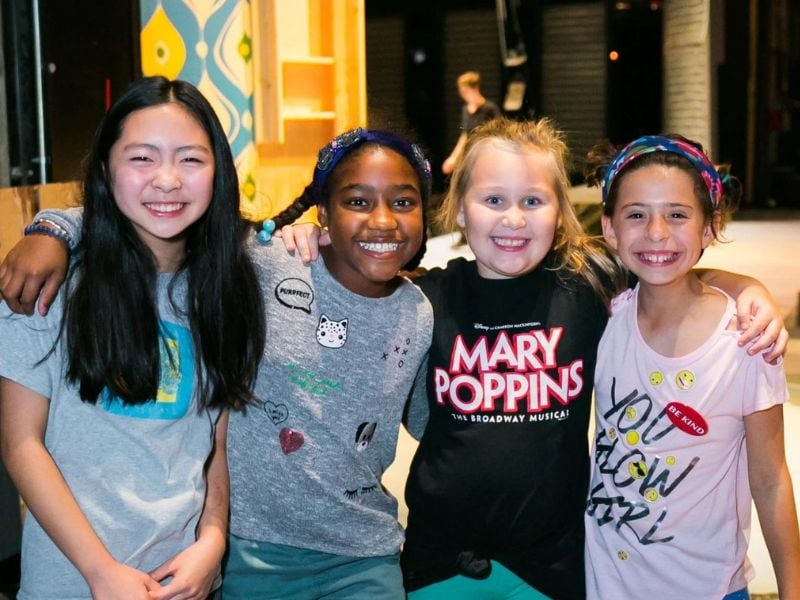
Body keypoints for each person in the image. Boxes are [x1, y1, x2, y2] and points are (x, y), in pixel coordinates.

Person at [276, 117, 788, 599]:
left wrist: (747, 286)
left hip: (550, 568)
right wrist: (317, 240)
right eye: (493, 199)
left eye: (533, 201)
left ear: (560, 212)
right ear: (459, 210)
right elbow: (357, 273)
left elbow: (665, 265)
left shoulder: (587, 285)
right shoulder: (424, 300)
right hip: (439, 563)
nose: (513, 218)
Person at [0, 127, 435, 599]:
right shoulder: (265, 262)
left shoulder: (419, 313)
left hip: (362, 555)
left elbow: (432, 420)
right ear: (323, 212)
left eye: (403, 202)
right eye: (357, 201)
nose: (382, 220)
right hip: (250, 550)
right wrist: (54, 229)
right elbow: (157, 218)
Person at [0, 76, 266, 599]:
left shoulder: (226, 289)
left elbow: (214, 445)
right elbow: (20, 443)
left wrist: (212, 542)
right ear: (105, 169)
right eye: (142, 158)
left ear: (218, 172)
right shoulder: (50, 285)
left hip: (183, 580)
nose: (167, 179)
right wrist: (100, 571)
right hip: (72, 583)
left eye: (191, 159)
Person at [583, 136, 800, 599]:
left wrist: (793, 590)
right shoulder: (603, 317)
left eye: (678, 215)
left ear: (709, 228)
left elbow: (771, 480)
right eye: (636, 214)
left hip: (709, 589)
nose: (656, 232)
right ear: (609, 227)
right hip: (607, 584)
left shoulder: (746, 339)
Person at [441, 71, 501, 176]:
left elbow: (498, 134)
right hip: (471, 155)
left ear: (475, 88)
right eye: (462, 92)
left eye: (466, 91)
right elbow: (465, 135)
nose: (464, 95)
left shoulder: (490, 108)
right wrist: (453, 157)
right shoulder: (465, 109)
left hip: (488, 155)